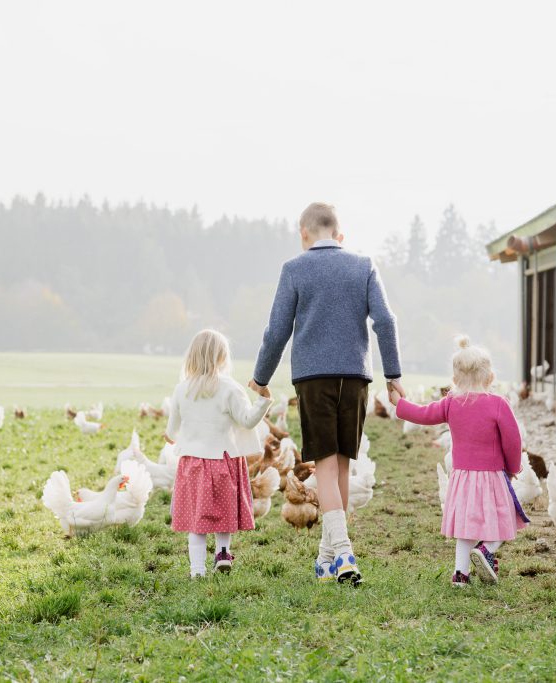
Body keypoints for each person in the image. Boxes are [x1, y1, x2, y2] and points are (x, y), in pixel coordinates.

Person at [251, 202, 403, 585]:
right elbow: (385, 320)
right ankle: (327, 559)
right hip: (356, 377)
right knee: (342, 468)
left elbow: (276, 331)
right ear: (340, 235)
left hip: (313, 378)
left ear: (303, 233)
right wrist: (393, 375)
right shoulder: (364, 265)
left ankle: (345, 555)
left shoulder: (294, 269)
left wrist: (260, 377)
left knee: (326, 467)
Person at [392, 335, 527, 587]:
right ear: (490, 378)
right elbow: (513, 440)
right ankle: (486, 550)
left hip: (462, 477)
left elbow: (422, 414)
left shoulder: (451, 403)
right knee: (503, 518)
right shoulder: (498, 404)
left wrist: (399, 404)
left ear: (454, 380)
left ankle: (460, 575)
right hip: (492, 476)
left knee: (466, 527)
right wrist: (513, 467)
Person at [166, 329, 273, 578]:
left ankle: (197, 570)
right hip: (224, 460)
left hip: (192, 463)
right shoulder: (230, 388)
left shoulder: (182, 389)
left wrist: (175, 436)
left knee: (197, 520)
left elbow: (172, 431)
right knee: (223, 513)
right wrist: (264, 401)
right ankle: (223, 553)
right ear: (223, 357)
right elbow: (247, 421)